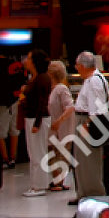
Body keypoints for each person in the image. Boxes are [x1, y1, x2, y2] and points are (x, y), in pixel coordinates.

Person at [71, 51, 109, 199]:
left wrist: (86, 125)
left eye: (77, 66)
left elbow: (95, 108)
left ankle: (93, 193)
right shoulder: (92, 79)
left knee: (89, 161)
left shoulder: (94, 80)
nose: (76, 68)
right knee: (81, 160)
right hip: (85, 121)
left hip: (88, 122)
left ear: (82, 66)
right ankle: (84, 192)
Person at [20, 51, 55, 196]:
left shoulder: (42, 78)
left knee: (38, 153)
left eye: (28, 58)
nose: (26, 61)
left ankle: (39, 186)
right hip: (31, 117)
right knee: (34, 152)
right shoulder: (35, 77)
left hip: (37, 118)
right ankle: (38, 183)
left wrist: (37, 123)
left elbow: (43, 102)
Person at [46, 60, 76, 192]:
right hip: (53, 130)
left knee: (61, 155)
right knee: (52, 155)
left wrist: (59, 120)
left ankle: (60, 181)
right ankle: (57, 179)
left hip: (62, 130)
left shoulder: (61, 89)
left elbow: (70, 107)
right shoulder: (52, 90)